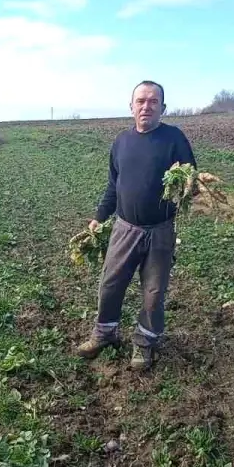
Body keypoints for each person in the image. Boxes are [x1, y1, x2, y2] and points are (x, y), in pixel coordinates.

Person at [76, 80, 196, 372]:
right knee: (110, 283)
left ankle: (144, 342)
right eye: (141, 101)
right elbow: (112, 186)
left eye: (153, 101)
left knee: (154, 291)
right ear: (131, 107)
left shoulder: (174, 139)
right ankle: (104, 333)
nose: (146, 106)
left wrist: (189, 187)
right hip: (124, 228)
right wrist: (99, 216)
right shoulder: (121, 142)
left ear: (163, 108)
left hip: (160, 230)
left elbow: (190, 178)